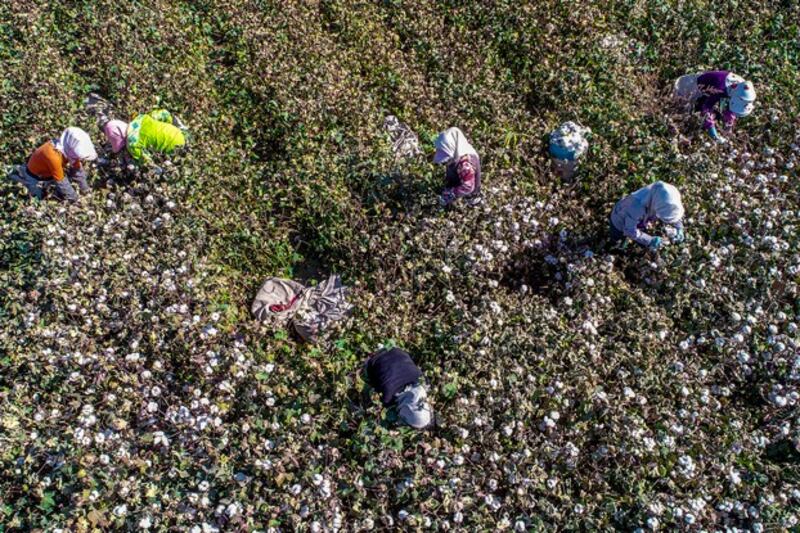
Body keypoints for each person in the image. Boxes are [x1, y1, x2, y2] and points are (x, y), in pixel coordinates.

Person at [9, 127, 97, 201]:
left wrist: (85, 189)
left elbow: (77, 171)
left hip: (50, 175)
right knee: (38, 199)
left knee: (60, 192)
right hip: (34, 177)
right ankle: (15, 176)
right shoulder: (53, 156)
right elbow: (62, 182)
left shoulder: (68, 149)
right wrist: (75, 199)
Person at [673, 71, 756, 143]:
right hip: (685, 87)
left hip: (704, 88)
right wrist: (714, 134)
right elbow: (705, 110)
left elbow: (733, 102)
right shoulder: (719, 88)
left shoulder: (742, 87)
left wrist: (729, 122)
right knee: (682, 117)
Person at [365, 347, 433, 429]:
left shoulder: (421, 378)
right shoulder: (387, 397)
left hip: (395, 349)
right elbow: (370, 374)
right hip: (372, 359)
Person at [610, 181, 685, 250]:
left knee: (638, 231)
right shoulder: (636, 207)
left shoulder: (666, 195)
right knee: (618, 238)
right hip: (619, 222)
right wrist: (650, 240)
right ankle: (616, 246)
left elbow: (672, 209)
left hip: (638, 218)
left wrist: (679, 227)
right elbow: (629, 230)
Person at [103, 109, 186, 166]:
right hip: (178, 133)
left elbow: (147, 161)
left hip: (173, 148)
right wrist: (169, 122)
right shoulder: (141, 118)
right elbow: (164, 113)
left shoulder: (132, 144)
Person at [433, 127, 481, 206]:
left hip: (467, 195)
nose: (444, 163)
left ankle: (471, 202)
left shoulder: (465, 165)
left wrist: (450, 194)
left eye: (446, 160)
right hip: (458, 183)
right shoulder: (456, 154)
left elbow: (468, 187)